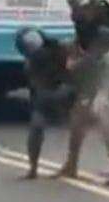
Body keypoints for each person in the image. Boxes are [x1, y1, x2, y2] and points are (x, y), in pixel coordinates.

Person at [58, 0, 109, 181]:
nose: (80, 13)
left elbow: (99, 52)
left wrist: (77, 63)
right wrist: (72, 51)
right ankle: (71, 163)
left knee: (104, 110)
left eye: (84, 9)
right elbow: (81, 41)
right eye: (77, 9)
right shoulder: (80, 19)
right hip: (96, 67)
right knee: (79, 113)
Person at [15, 27, 75, 180]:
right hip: (51, 95)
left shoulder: (57, 50)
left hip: (63, 91)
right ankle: (34, 167)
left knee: (78, 128)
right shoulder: (34, 62)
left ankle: (36, 168)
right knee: (37, 127)